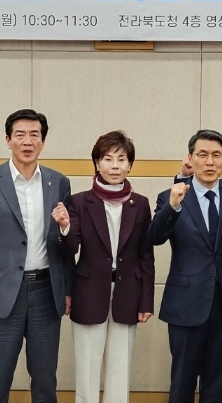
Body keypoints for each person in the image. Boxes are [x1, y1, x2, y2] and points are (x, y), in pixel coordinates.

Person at [0, 109, 73, 403]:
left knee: (45, 378)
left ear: (43, 142)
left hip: (46, 291)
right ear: (8, 140)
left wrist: (67, 288)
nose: (27, 141)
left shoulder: (58, 182)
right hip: (1, 293)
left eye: (34, 135)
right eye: (20, 135)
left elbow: (65, 243)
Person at [149, 129, 222, 403]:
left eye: (216, 155)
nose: (209, 162)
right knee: (182, 380)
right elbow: (154, 237)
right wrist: (172, 206)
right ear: (190, 158)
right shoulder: (170, 196)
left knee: (217, 381)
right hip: (186, 303)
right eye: (202, 155)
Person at [57, 131, 155, 403]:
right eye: (108, 159)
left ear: (130, 165)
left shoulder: (141, 204)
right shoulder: (79, 201)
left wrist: (146, 300)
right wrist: (64, 227)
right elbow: (69, 250)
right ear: (97, 163)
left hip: (129, 292)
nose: (115, 166)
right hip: (88, 290)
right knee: (87, 366)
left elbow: (146, 255)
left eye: (121, 159)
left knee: (120, 367)